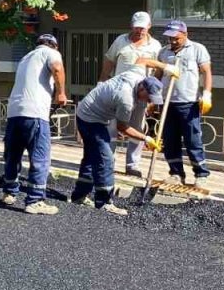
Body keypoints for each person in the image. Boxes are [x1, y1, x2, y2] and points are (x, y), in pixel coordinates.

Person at [72, 71, 176, 213]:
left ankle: (79, 196)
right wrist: (146, 138)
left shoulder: (137, 77)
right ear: (142, 89)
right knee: (106, 159)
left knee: (91, 157)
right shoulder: (126, 98)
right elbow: (122, 127)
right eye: (149, 98)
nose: (149, 102)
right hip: (91, 118)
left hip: (88, 112)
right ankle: (104, 201)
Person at [0, 34, 68, 215]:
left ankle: (9, 191)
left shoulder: (26, 57)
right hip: (35, 113)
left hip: (15, 112)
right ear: (54, 46)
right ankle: (35, 200)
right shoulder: (51, 53)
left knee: (13, 154)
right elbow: (57, 68)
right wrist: (61, 93)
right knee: (40, 157)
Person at [101, 11, 162, 178]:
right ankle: (108, 161)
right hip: (118, 93)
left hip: (142, 94)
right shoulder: (121, 41)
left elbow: (157, 71)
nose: (139, 31)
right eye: (137, 28)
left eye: (143, 28)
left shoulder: (155, 46)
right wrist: (102, 81)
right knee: (112, 128)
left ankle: (132, 164)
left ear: (149, 26)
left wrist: (152, 97)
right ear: (131, 26)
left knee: (137, 128)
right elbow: (109, 61)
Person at [157, 20, 214, 184]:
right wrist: (154, 97)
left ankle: (201, 174)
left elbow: (206, 72)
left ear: (185, 35)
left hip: (188, 103)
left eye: (177, 38)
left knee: (193, 140)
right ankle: (176, 173)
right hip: (167, 103)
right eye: (170, 38)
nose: (173, 41)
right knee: (170, 140)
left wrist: (207, 94)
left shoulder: (197, 49)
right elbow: (158, 75)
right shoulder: (163, 52)